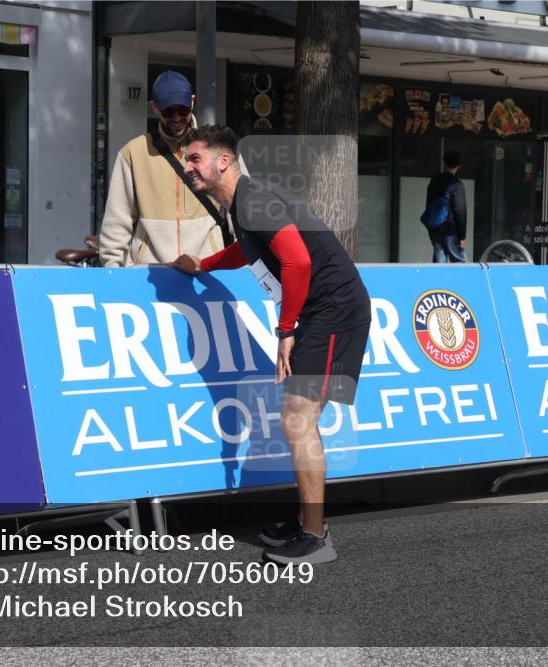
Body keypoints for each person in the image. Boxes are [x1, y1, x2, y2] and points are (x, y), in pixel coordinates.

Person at [170, 125, 371, 565]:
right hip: (322, 309)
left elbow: (296, 260)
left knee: (298, 418)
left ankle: (316, 539)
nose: (188, 168)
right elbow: (252, 251)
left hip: (333, 308)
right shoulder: (242, 202)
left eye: (194, 159)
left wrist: (286, 329)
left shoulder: (252, 197)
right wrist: (204, 264)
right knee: (298, 419)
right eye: (186, 160)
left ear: (223, 161)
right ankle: (306, 522)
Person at [99, 71, 230, 267]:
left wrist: (244, 269)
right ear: (155, 107)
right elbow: (117, 218)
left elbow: (238, 209)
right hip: (150, 275)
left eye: (183, 110)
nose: (176, 118)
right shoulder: (133, 153)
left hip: (207, 270)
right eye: (168, 112)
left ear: (192, 102)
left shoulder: (218, 148)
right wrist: (112, 267)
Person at [423, 150, 467, 263]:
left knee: (439, 263)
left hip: (435, 228)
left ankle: (438, 281)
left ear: (444, 162)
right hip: (450, 230)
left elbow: (429, 204)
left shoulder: (435, 180)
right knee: (460, 264)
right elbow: (460, 211)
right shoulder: (456, 184)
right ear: (459, 165)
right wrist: (462, 237)